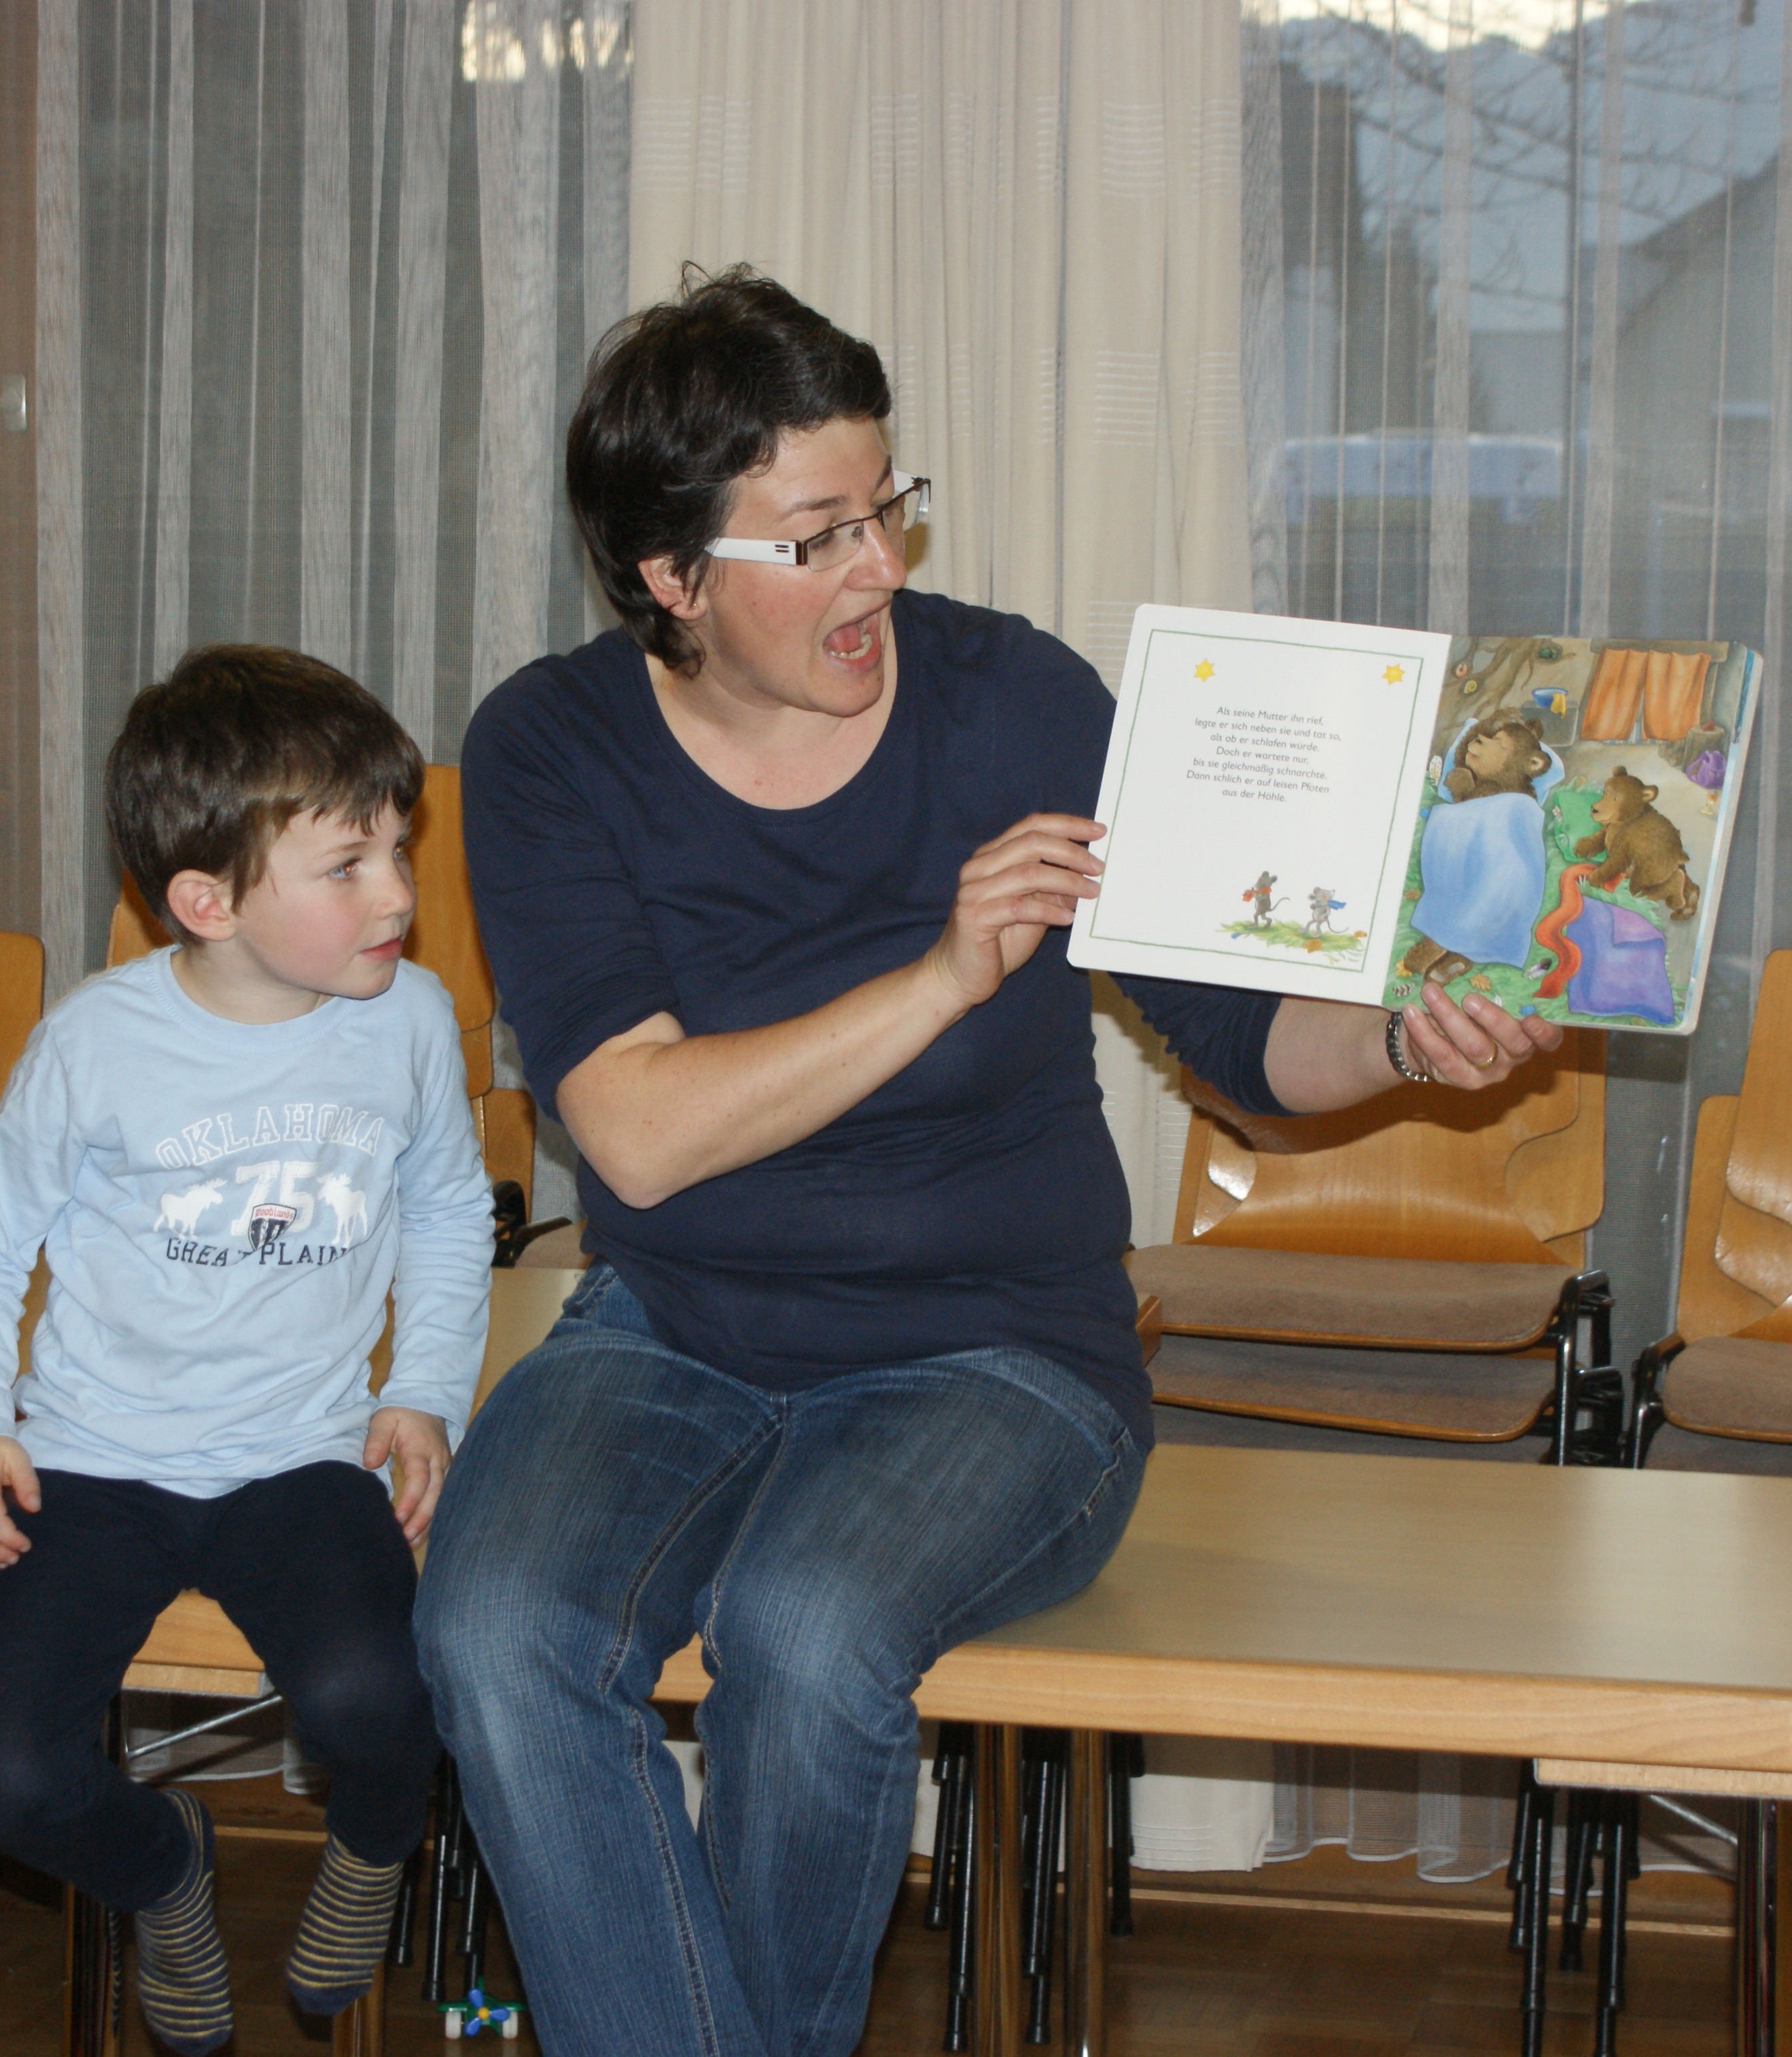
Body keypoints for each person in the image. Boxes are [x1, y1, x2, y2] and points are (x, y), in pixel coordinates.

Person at [413, 267, 1557, 2057]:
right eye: (818, 535)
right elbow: (633, 1130)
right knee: (493, 1627)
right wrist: (942, 975)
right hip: (676, 1326)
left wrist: (1409, 1038)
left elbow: (1244, 1047)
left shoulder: (1020, 701)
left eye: (888, 507)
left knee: (807, 1632)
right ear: (672, 578)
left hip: (1002, 1354)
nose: (879, 567)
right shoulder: (551, 745)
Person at [0, 647, 492, 2054]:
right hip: (91, 1462)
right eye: (348, 865)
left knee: (383, 1701)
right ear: (207, 901)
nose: (399, 896)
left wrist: (424, 1390)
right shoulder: (96, 1043)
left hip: (298, 1457)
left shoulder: (412, 1022)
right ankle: (163, 1869)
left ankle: (372, 1850)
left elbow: (446, 1210)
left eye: (399, 849)